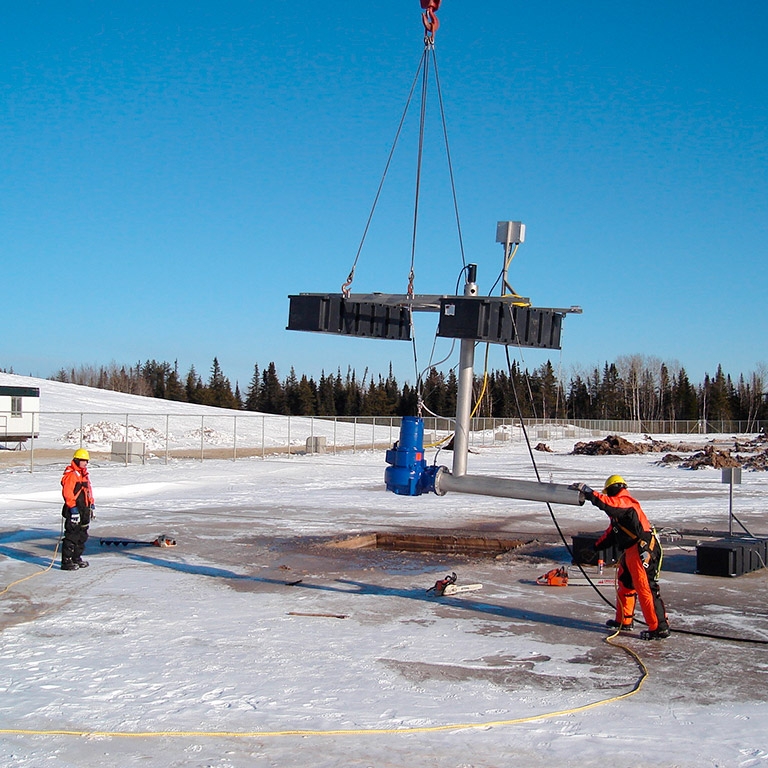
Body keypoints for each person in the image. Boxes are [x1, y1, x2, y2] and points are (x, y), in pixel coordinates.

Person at [570, 474, 670, 640]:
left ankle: (659, 627)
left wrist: (589, 493)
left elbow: (609, 504)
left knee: (645, 589)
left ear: (612, 489)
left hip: (642, 550)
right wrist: (594, 548)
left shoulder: (626, 502)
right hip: (631, 552)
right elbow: (611, 534)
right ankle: (624, 621)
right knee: (625, 585)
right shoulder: (619, 514)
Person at [60, 448, 95, 571]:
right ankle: (66, 561)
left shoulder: (84, 475)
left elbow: (88, 490)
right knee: (72, 535)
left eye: (87, 461)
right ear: (77, 460)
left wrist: (91, 504)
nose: (86, 463)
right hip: (74, 509)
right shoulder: (71, 475)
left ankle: (76, 557)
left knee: (82, 534)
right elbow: (68, 492)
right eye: (84, 461)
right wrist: (73, 508)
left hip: (84, 508)